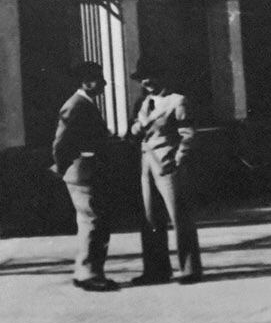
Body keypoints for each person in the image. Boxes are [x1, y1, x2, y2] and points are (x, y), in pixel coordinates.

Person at [127, 61, 204, 285]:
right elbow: (134, 132)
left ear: (162, 76)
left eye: (151, 76)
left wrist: (178, 160)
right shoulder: (143, 103)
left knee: (179, 217)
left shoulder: (177, 100)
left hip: (168, 166)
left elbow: (188, 134)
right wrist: (135, 129)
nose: (147, 82)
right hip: (146, 165)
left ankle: (189, 269)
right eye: (143, 78)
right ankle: (156, 270)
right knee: (151, 219)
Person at [52, 61, 116, 292]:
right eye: (99, 79)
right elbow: (61, 143)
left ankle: (86, 271)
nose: (104, 84)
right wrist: (64, 167)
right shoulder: (76, 105)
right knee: (93, 222)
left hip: (87, 171)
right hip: (83, 172)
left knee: (90, 222)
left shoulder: (83, 103)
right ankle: (89, 274)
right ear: (85, 82)